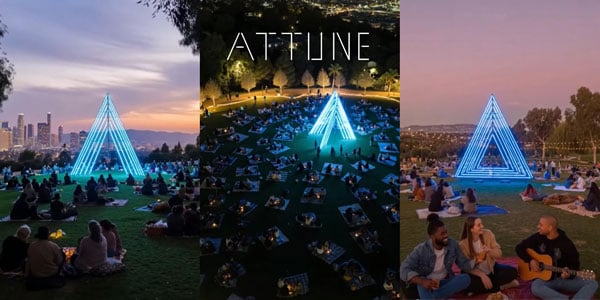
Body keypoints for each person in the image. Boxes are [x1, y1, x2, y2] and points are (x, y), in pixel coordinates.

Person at [516, 215, 598, 299]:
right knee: (536, 288)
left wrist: (568, 274)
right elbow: (519, 247)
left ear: (550, 227)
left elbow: (575, 264)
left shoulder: (566, 243)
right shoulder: (538, 237)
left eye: (541, 225)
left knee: (592, 283)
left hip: (562, 279)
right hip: (544, 280)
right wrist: (530, 260)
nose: (538, 226)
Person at [400, 214, 472, 299]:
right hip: (426, 282)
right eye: (442, 234)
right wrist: (422, 281)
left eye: (446, 232)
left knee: (465, 279)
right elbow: (403, 269)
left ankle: (434, 296)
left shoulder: (453, 244)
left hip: (443, 281)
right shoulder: (421, 249)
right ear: (432, 237)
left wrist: (477, 260)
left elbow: (463, 264)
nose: (446, 236)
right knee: (422, 285)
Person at [459, 216, 519, 295]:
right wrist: (481, 274)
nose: (482, 226)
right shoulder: (463, 244)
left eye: (482, 224)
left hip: (491, 268)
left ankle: (480, 289)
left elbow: (499, 253)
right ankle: (501, 287)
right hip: (475, 273)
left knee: (513, 272)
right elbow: (465, 266)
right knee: (464, 283)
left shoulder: (488, 234)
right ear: (471, 229)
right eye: (479, 225)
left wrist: (489, 251)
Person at [25, 226, 65, 290]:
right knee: (62, 255)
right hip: (51, 273)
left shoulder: (32, 245)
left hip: (36, 273)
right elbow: (59, 261)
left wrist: (26, 275)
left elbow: (29, 261)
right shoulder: (53, 245)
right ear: (48, 235)